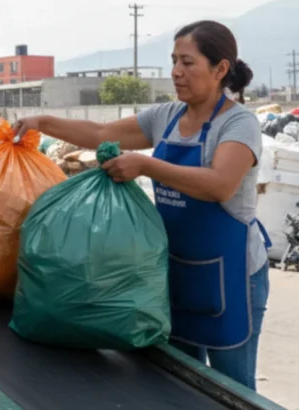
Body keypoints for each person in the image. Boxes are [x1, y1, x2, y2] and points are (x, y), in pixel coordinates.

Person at [14, 20, 270, 391]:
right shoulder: (166, 117)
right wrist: (44, 122)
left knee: (232, 388)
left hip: (232, 278)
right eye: (173, 61)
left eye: (188, 62)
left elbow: (220, 185)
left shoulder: (238, 124)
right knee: (179, 382)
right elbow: (102, 134)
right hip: (174, 272)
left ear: (220, 69)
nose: (176, 72)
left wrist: (146, 165)